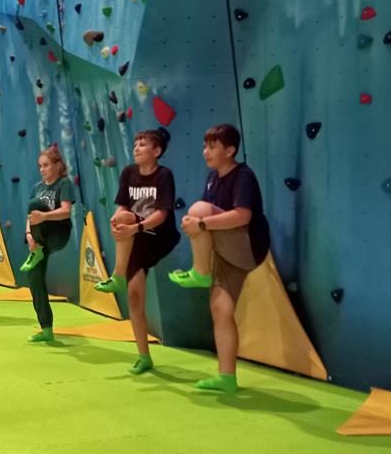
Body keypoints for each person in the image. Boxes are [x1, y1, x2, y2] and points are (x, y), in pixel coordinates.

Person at [169, 123, 271, 393]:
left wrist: (200, 224)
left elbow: (243, 216)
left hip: (247, 245)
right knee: (220, 309)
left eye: (212, 147)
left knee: (198, 210)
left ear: (230, 150)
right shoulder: (213, 178)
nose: (206, 152)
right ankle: (227, 377)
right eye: (205, 146)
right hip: (228, 250)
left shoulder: (243, 176)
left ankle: (200, 272)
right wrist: (195, 225)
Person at [94, 128, 180, 374]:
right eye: (135, 144)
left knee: (126, 219)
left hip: (159, 235)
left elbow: (162, 214)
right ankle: (144, 356)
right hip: (138, 238)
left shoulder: (164, 175)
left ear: (157, 151)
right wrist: (116, 219)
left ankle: (117, 275)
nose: (137, 148)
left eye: (143, 144)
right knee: (134, 295)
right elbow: (123, 206)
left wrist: (135, 226)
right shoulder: (129, 173)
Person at [21, 146, 74, 342]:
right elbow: (30, 218)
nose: (42, 169)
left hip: (58, 232)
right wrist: (29, 235)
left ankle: (38, 249)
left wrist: (44, 216)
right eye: (40, 166)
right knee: (34, 277)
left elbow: (66, 211)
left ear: (57, 165)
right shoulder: (37, 187)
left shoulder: (64, 183)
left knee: (35, 205)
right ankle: (46, 329)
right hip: (40, 238)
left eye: (46, 165)